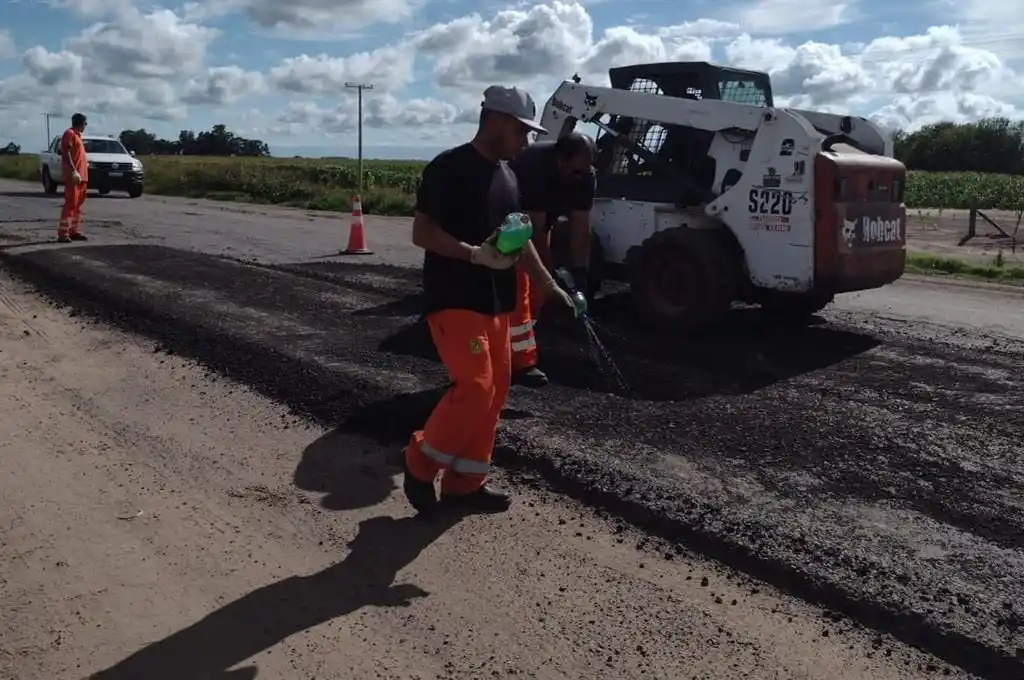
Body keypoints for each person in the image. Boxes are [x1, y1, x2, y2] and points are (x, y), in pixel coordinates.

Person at [402, 85, 575, 514]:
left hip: (497, 305)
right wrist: (473, 254)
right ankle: (420, 465)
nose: (527, 141)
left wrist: (549, 286)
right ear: (495, 120)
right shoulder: (450, 168)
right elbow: (422, 233)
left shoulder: (509, 174)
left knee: (495, 393)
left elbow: (521, 237)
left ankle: (465, 484)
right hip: (456, 303)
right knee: (477, 388)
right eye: (521, 131)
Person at [506, 132, 598, 387]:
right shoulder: (533, 167)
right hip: (509, 225)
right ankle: (509, 355)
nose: (581, 177)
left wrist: (581, 274)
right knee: (520, 286)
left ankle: (530, 335)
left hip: (539, 222)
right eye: (575, 171)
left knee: (539, 292)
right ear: (559, 160)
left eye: (585, 171)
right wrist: (549, 279)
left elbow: (581, 228)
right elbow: (532, 233)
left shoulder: (585, 176)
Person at [58, 112, 90, 243]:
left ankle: (73, 230)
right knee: (70, 203)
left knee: (77, 205)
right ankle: (63, 233)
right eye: (85, 124)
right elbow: (65, 152)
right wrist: (73, 170)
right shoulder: (69, 134)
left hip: (82, 177)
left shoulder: (78, 136)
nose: (85, 126)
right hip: (74, 176)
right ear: (81, 123)